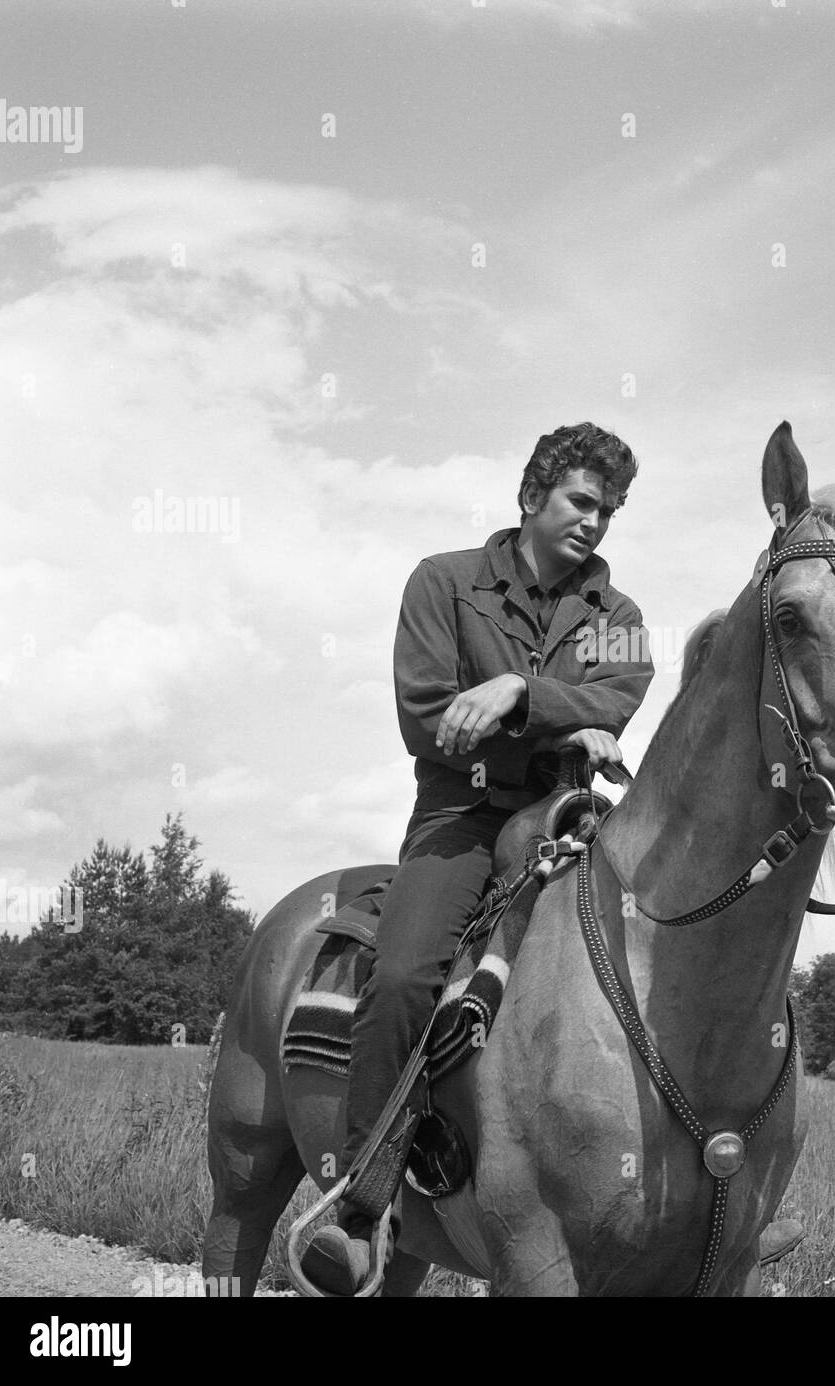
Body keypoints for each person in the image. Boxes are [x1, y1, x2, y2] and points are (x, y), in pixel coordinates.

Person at [302, 422, 653, 1295]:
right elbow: (425, 714)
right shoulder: (444, 582)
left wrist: (513, 691)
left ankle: (704, 1200)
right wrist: (556, 714)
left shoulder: (621, 620)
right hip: (457, 815)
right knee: (406, 975)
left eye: (607, 510)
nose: (594, 521)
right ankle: (362, 1202)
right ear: (532, 497)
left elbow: (620, 699)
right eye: (580, 501)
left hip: (564, 813)